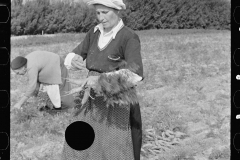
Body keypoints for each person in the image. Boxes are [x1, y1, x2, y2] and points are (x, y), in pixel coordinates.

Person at [62, 0, 144, 159]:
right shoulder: (94, 33)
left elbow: (135, 74)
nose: (101, 17)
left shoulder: (128, 37)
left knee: (111, 146)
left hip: (114, 100)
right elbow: (75, 53)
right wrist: (73, 59)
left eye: (105, 12)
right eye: (98, 13)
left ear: (117, 11)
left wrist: (101, 80)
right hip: (89, 97)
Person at [10, 51, 75, 112]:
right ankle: (57, 106)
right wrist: (33, 96)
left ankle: (64, 108)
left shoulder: (31, 67)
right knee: (48, 86)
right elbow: (36, 84)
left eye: (18, 72)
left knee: (55, 86)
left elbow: (32, 86)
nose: (18, 74)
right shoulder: (25, 62)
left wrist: (19, 103)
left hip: (56, 63)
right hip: (50, 64)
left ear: (23, 68)